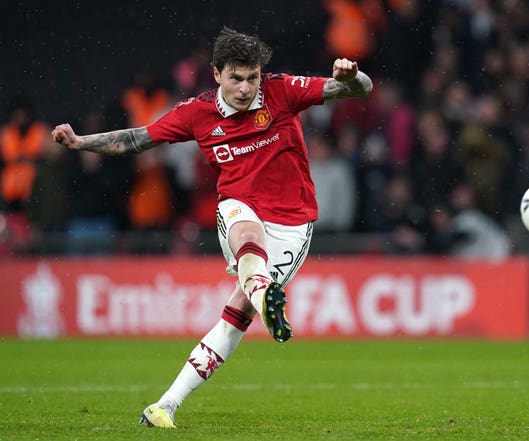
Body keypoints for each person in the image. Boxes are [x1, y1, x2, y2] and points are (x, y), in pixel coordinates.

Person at [51, 27, 372, 428]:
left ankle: (164, 406)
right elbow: (137, 139)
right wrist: (81, 143)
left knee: (234, 317)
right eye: (236, 78)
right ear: (217, 73)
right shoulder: (196, 113)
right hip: (240, 208)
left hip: (294, 221)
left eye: (252, 77)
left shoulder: (282, 90)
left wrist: (351, 77)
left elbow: (360, 89)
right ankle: (262, 289)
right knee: (245, 228)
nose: (246, 88)